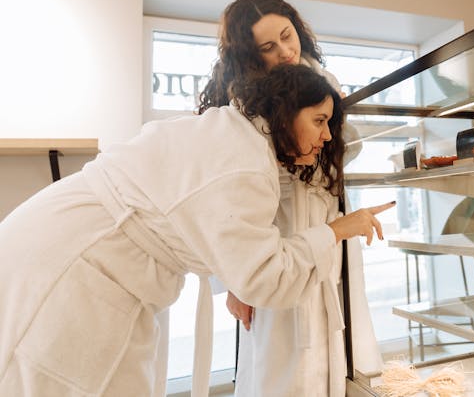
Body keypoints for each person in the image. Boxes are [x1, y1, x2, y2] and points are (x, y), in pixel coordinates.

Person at [0, 64, 393, 397]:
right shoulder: (245, 161)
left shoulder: (233, 132)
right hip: (75, 264)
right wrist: (335, 230)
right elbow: (265, 278)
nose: (326, 137)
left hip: (71, 246)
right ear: (285, 110)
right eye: (319, 121)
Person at [199, 0, 381, 396]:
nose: (285, 51)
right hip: (274, 244)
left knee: (336, 356)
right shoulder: (240, 105)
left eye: (287, 35)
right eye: (268, 46)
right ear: (249, 55)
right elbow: (223, 202)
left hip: (327, 240)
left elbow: (343, 152)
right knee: (277, 367)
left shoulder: (324, 83)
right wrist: (234, 281)